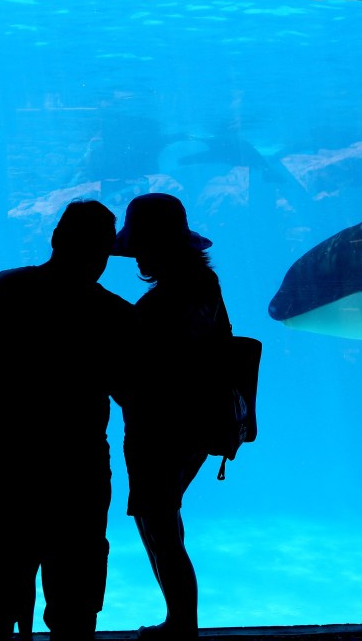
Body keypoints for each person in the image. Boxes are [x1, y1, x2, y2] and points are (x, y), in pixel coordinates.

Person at [0, 199, 135, 641]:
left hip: (8, 464)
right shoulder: (114, 312)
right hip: (79, 469)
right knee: (75, 601)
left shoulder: (7, 288)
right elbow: (128, 390)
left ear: (56, 238)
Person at [113, 192, 230, 641]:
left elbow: (144, 371)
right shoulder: (205, 286)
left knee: (158, 522)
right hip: (198, 423)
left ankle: (181, 622)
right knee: (162, 519)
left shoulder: (159, 304)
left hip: (159, 428)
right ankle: (179, 618)